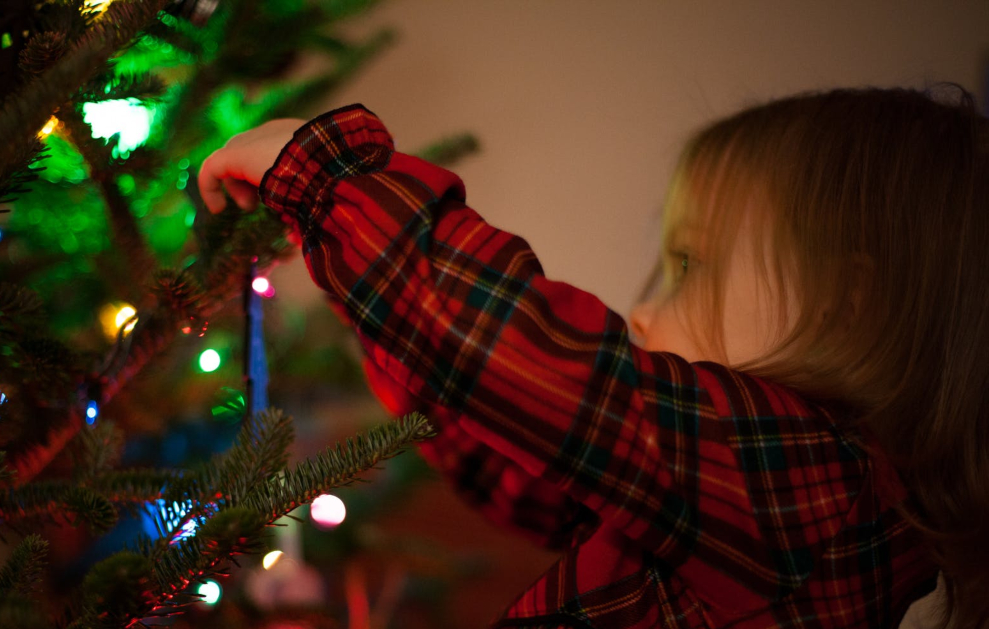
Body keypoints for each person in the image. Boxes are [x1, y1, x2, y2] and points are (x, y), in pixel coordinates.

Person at [197, 86, 988, 628]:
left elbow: (526, 360)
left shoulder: (815, 490)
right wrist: (380, 302)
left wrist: (322, 178)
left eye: (690, 265)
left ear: (842, 303)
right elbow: (526, 473)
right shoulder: (737, 509)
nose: (642, 312)